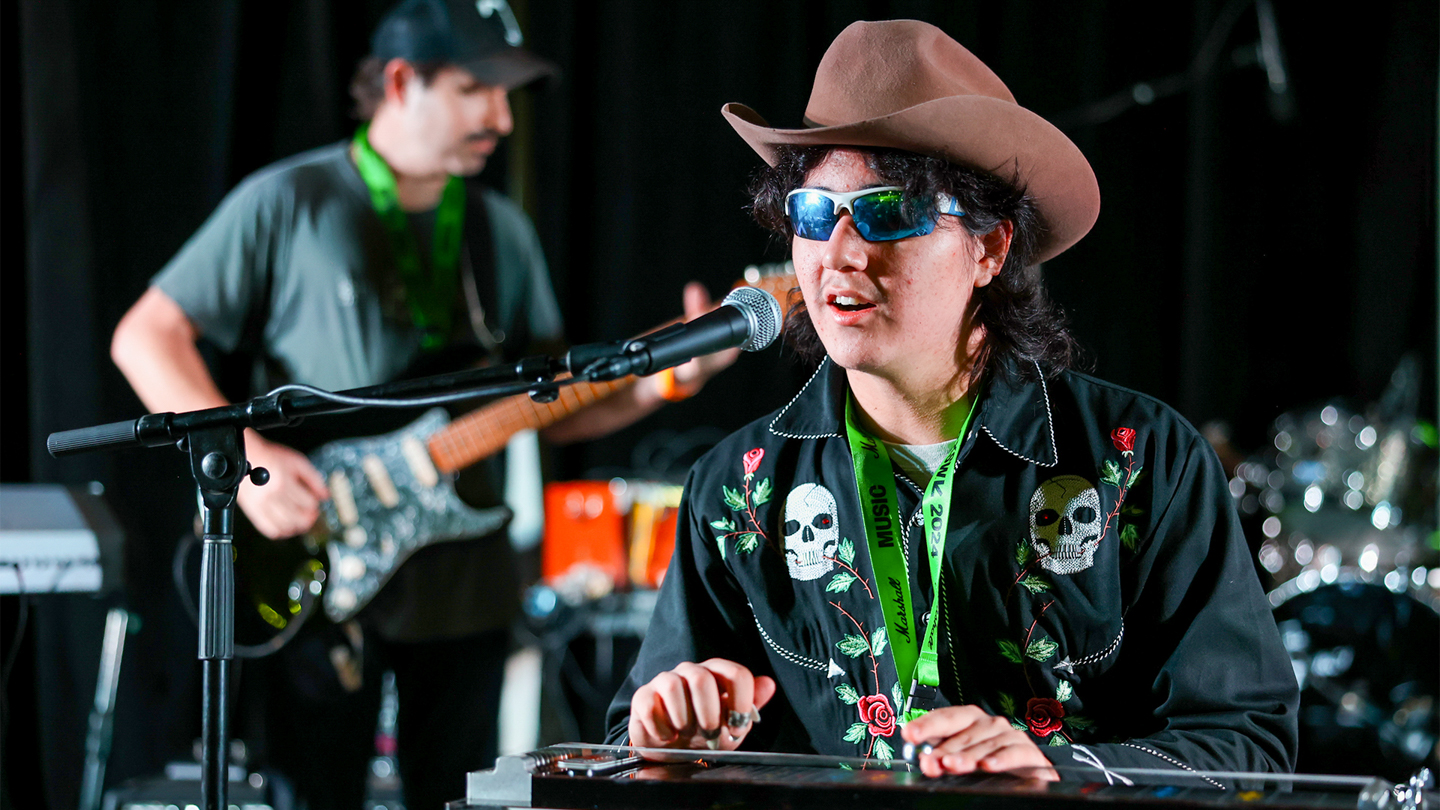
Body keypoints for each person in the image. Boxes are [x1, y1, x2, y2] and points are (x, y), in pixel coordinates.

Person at [605, 20, 1298, 785]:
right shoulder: (739, 487)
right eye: (812, 212)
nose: (839, 252)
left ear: (990, 249)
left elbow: (1249, 744)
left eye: (888, 211)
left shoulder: (1141, 461)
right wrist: (664, 740)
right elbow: (632, 750)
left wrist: (1062, 770)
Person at [109, 1, 734, 807]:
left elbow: (551, 406)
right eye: (480, 89)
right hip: (323, 575)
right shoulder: (288, 200)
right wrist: (253, 461)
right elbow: (145, 337)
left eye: (509, 97)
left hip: (464, 589)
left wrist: (660, 378)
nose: (502, 119)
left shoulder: (499, 228)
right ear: (402, 82)